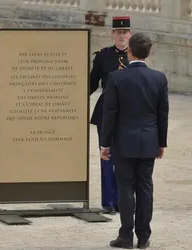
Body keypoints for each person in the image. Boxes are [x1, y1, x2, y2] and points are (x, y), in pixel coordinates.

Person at [100, 32, 169, 249]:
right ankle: (144, 236)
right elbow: (162, 114)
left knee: (126, 188)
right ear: (149, 53)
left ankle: (126, 236)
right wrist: (161, 143)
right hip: (149, 140)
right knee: (145, 187)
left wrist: (105, 143)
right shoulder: (159, 78)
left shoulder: (116, 77)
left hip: (124, 141)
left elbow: (109, 113)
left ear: (129, 51)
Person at [90, 16, 132, 214]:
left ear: (130, 34)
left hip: (130, 113)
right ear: (112, 34)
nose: (122, 36)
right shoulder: (102, 56)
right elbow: (92, 83)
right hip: (105, 112)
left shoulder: (135, 55)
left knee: (127, 158)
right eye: (118, 32)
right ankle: (108, 200)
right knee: (106, 156)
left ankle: (123, 200)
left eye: (125, 32)